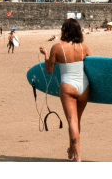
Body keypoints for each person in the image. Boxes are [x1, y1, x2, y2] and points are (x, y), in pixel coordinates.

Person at [39, 18, 92, 162]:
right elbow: (92, 67)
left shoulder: (57, 47)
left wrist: (45, 54)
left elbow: (49, 70)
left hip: (68, 86)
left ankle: (77, 157)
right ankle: (72, 150)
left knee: (72, 121)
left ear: (64, 30)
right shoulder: (84, 47)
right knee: (76, 121)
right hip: (84, 86)